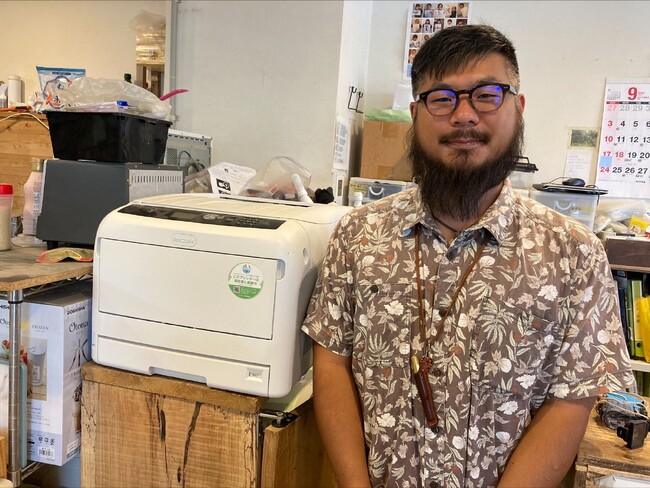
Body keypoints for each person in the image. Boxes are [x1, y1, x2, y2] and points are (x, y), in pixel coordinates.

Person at [302, 24, 635, 488]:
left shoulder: (573, 254)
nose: (463, 115)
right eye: (442, 98)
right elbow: (332, 361)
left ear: (518, 107)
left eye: (486, 95)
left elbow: (571, 398)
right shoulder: (358, 234)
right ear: (415, 114)